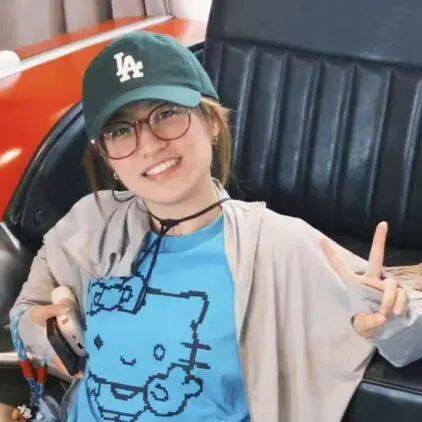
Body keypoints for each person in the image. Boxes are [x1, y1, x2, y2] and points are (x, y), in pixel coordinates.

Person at [9, 31, 422, 422]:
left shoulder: (278, 245)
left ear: (210, 121)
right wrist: (42, 332)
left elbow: (404, 328)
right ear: (106, 157)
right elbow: (25, 316)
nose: (149, 144)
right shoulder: (90, 223)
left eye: (166, 113)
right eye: (120, 130)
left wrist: (393, 320)